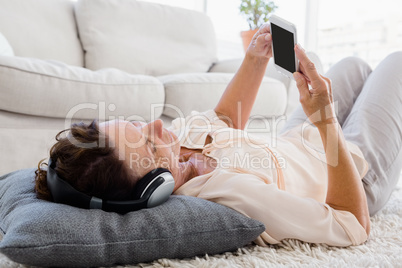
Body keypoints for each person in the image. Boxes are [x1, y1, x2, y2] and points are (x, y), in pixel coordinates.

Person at [35, 23, 402, 247]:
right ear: (153, 187)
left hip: (296, 140)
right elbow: (352, 225)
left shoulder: (176, 148)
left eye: (137, 125)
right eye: (149, 142)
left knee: (353, 65)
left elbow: (224, 118)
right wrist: (324, 120)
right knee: (395, 64)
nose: (159, 126)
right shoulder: (229, 196)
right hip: (351, 168)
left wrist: (255, 59)